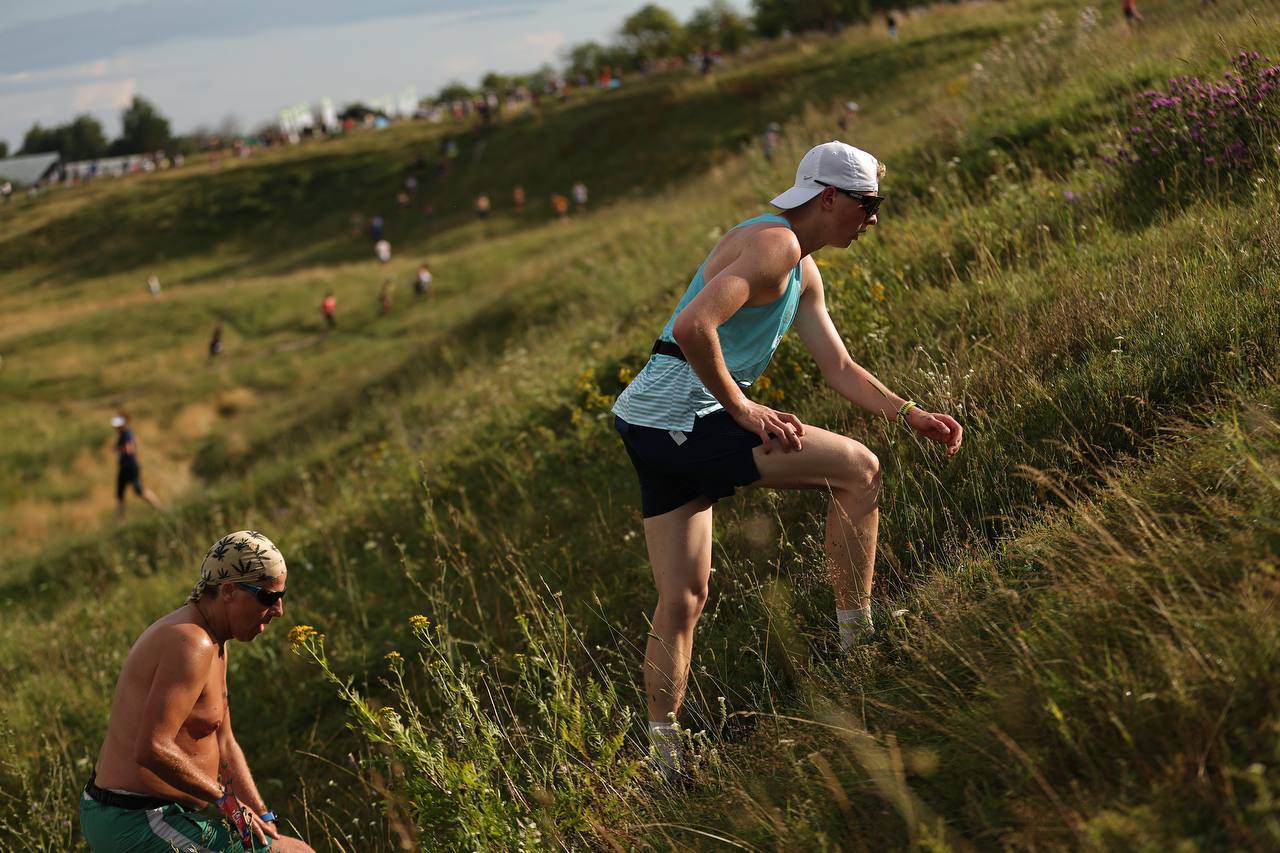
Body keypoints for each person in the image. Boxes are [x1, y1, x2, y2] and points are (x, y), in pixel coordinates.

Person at [612, 141, 964, 775]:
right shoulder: (775, 246)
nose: (874, 218)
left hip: (648, 422)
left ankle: (662, 760)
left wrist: (909, 413)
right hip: (683, 418)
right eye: (869, 204)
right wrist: (744, 411)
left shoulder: (801, 268)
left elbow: (840, 368)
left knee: (683, 598)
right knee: (860, 471)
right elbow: (695, 328)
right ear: (828, 198)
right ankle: (859, 644)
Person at [80, 530, 315, 852]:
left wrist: (262, 814)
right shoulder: (192, 643)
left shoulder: (215, 640)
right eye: (268, 597)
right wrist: (227, 801)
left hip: (151, 814)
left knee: (292, 848)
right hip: (135, 818)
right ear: (229, 590)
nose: (279, 610)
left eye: (281, 596)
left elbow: (224, 741)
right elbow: (152, 748)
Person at [113, 413, 160, 519]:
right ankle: (119, 520)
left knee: (139, 491)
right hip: (124, 467)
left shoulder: (127, 434)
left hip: (130, 467)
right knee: (120, 494)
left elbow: (130, 450)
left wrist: (118, 449)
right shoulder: (122, 435)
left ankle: (159, 507)